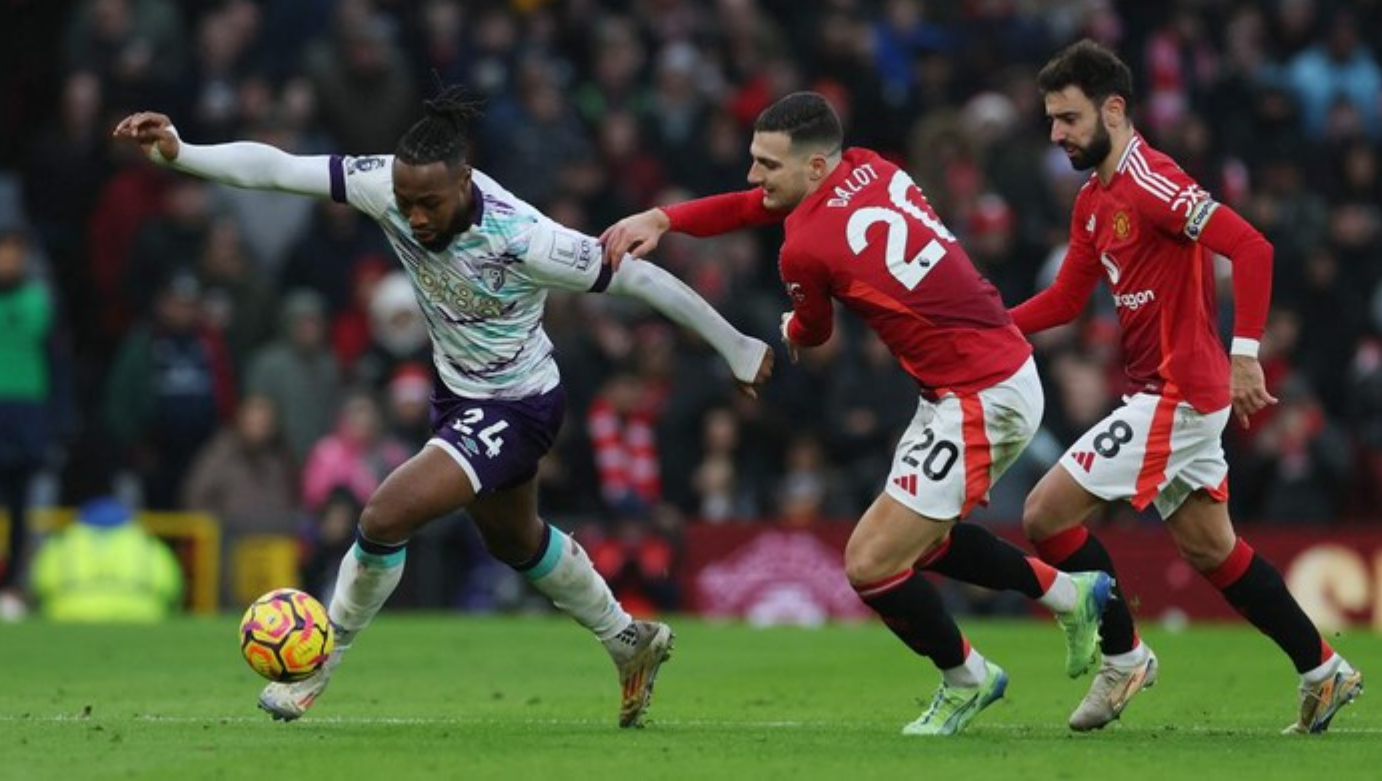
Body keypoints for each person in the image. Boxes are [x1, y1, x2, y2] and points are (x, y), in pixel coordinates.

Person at [113, 87, 773, 727]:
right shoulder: (387, 187)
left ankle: (320, 661)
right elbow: (280, 169)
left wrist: (736, 344)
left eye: (429, 203)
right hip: (458, 395)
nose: (415, 217)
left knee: (383, 514)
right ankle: (627, 638)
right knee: (514, 539)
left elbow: (639, 277)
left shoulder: (526, 237)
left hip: (520, 404)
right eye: (406, 202)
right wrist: (181, 151)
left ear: (466, 183)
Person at [602, 91, 1110, 736]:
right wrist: (665, 219)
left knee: (870, 563)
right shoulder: (871, 165)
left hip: (981, 395)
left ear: (814, 170)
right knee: (920, 543)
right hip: (981, 375)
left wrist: (789, 321)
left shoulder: (802, 249)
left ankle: (969, 679)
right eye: (754, 160)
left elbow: (813, 335)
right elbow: (757, 204)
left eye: (768, 165)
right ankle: (1072, 594)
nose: (754, 177)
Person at [1009, 39, 1362, 734]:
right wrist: (987, 324)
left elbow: (1252, 246)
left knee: (1045, 514)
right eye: (1051, 120)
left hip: (1180, 391)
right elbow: (1064, 300)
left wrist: (1246, 355)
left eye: (1069, 118)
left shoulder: (1155, 181)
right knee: (1213, 551)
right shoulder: (1091, 201)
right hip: (1164, 393)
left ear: (1114, 109)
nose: (1057, 134)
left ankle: (1124, 655)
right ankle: (1324, 670)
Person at [29, 497, 183, 623]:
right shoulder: (147, 543)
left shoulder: (62, 543)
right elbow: (172, 588)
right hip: (141, 615)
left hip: (68, 614)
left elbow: (38, 585)